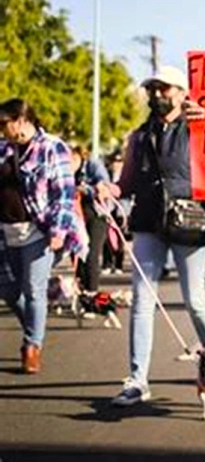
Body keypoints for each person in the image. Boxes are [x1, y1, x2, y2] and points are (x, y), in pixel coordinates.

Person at [108, 66, 205, 406]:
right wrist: (107, 188)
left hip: (190, 219)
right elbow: (126, 182)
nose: (158, 95)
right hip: (147, 220)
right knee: (142, 300)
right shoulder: (139, 136)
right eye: (153, 89)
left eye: (166, 89)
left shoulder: (200, 130)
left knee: (195, 298)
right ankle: (137, 379)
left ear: (182, 93)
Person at [0, 98, 86, 374]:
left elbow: (63, 193)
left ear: (21, 121)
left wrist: (59, 230)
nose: (1, 129)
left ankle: (32, 347)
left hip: (39, 230)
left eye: (4, 124)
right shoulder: (3, 149)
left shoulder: (52, 147)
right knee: (10, 291)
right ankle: (35, 327)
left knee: (33, 290)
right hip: (6, 231)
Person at [70, 144, 111, 293]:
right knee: (77, 253)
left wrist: (90, 188)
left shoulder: (92, 165)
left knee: (92, 254)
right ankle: (81, 291)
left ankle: (92, 292)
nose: (70, 164)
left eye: (72, 160)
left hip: (96, 214)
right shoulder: (63, 170)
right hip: (75, 216)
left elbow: (104, 185)